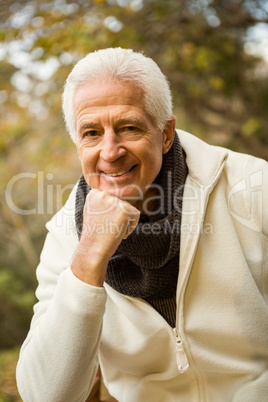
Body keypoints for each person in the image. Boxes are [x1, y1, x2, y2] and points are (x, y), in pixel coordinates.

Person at [16, 48, 268, 402]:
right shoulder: (65, 235)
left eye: (128, 127)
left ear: (165, 133)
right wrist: (90, 254)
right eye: (91, 133)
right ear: (77, 144)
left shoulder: (253, 186)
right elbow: (46, 394)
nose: (110, 151)